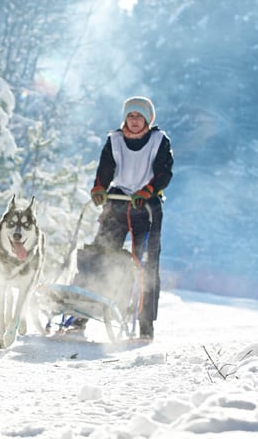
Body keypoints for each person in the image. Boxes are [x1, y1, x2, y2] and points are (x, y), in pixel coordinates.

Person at [70, 96, 174, 340]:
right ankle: (80, 314)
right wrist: (99, 188)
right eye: (130, 116)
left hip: (147, 206)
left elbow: (164, 171)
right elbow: (106, 168)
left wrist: (148, 190)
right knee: (98, 255)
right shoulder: (114, 140)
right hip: (118, 202)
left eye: (139, 116)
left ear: (147, 119)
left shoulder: (159, 140)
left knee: (145, 265)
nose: (134, 120)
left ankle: (145, 324)